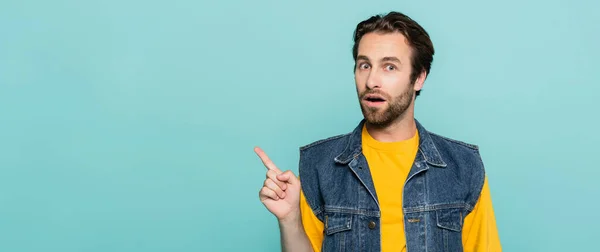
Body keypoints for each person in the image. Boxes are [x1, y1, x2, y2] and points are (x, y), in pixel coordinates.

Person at [255, 11, 502, 252]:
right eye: (364, 65)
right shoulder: (319, 165)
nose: (372, 80)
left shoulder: (463, 166)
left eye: (389, 67)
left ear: (419, 78)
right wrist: (289, 219)